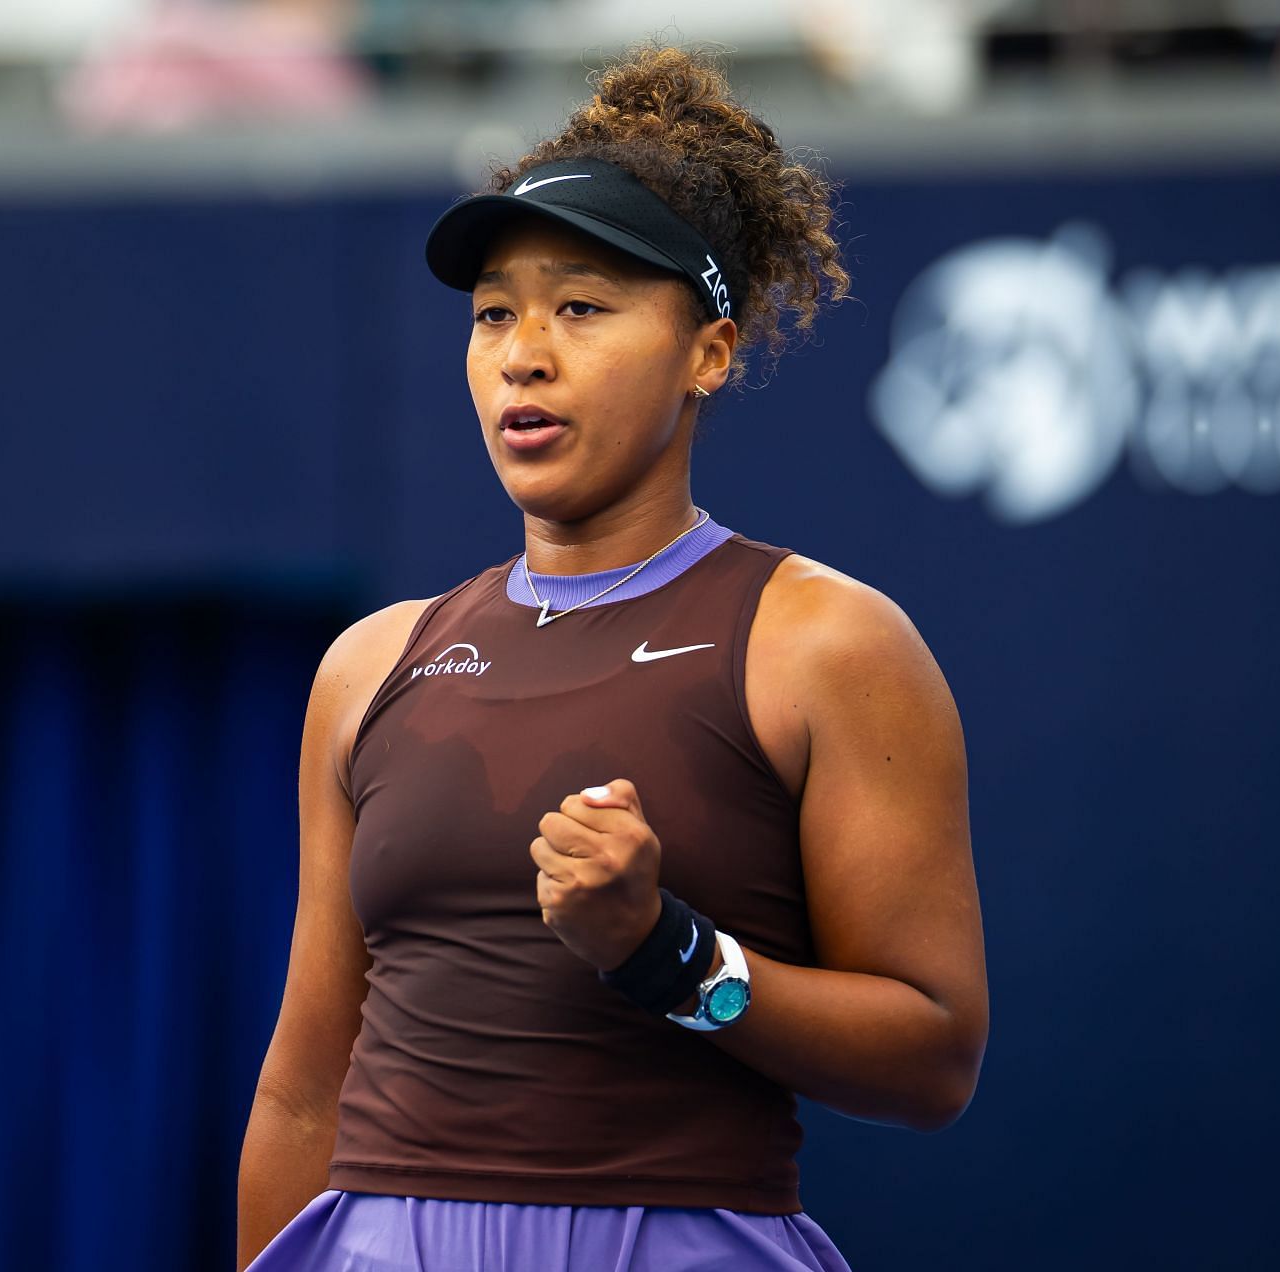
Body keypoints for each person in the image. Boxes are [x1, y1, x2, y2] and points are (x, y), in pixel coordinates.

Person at [238, 43, 988, 1271]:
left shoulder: (825, 643)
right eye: (494, 315)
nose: (524, 353)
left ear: (710, 351)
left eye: (581, 307)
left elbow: (933, 1059)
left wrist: (674, 957)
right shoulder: (368, 668)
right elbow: (303, 1092)